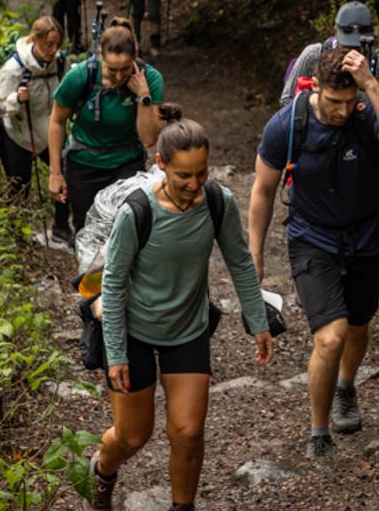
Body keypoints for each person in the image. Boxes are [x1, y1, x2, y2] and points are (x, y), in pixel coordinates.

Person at [90, 108, 275, 511]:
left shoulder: (217, 201)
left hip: (188, 328)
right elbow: (114, 283)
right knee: (133, 436)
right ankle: (103, 471)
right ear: (162, 166)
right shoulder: (135, 213)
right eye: (183, 177)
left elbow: (240, 260)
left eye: (201, 174)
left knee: (188, 432)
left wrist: (257, 320)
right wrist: (117, 353)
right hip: (134, 331)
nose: (194, 185)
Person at [248, 45, 379, 457]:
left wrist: (371, 87)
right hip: (312, 239)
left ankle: (346, 386)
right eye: (334, 101)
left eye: (349, 101)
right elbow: (262, 191)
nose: (343, 110)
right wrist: (253, 260)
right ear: (315, 87)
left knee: (357, 327)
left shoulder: (366, 110)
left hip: (367, 237)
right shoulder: (288, 125)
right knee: (331, 336)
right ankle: (318, 433)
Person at [48, 19, 165, 236]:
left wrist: (143, 96)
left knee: (128, 229)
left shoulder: (150, 79)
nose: (120, 76)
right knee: (88, 232)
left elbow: (149, 139)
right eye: (112, 70)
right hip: (84, 163)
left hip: (127, 162)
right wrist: (55, 173)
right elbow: (56, 121)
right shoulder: (81, 77)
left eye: (125, 69)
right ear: (100, 54)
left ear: (135, 54)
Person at [0, 16, 71, 240]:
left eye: (57, 44)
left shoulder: (61, 62)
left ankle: (62, 226)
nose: (53, 50)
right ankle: (15, 235)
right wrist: (16, 99)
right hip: (18, 136)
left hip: (51, 135)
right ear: (34, 40)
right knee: (19, 187)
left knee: (64, 174)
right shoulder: (13, 69)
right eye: (48, 44)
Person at [278, 1, 379, 107]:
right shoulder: (314, 55)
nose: (352, 51)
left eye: (358, 45)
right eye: (347, 44)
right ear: (335, 31)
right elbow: (286, 99)